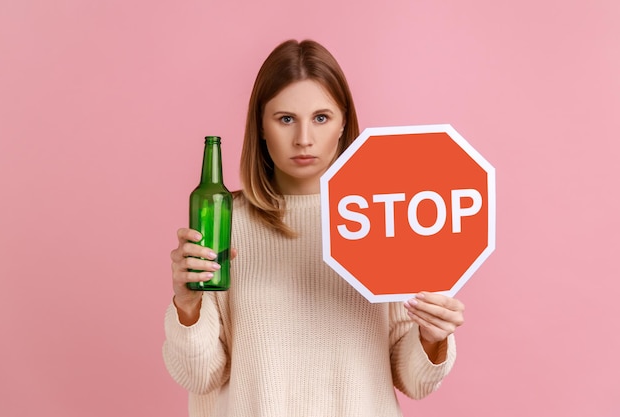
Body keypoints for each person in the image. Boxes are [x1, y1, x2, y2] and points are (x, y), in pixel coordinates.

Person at [163, 39, 465, 417]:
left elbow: (414, 381)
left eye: (321, 118)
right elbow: (200, 376)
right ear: (260, 126)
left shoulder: (386, 215)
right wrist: (187, 303)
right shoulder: (226, 222)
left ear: (343, 124)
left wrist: (432, 335)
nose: (303, 138)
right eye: (285, 118)